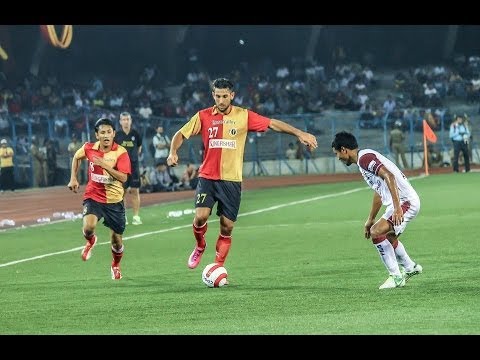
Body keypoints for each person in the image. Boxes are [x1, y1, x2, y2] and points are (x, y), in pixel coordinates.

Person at [167, 77, 318, 273]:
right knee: (200, 217)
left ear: (232, 96)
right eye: (217, 96)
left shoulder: (243, 116)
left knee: (227, 226)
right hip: (207, 177)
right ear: (213, 95)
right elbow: (180, 134)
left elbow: (272, 124)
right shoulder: (203, 116)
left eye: (224, 96)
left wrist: (299, 133)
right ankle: (200, 245)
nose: (221, 101)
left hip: (232, 180)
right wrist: (172, 152)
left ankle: (217, 267)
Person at [331, 131, 422, 289]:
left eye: (337, 153)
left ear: (344, 149)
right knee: (387, 235)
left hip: (405, 202)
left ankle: (396, 277)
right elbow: (379, 192)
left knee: (376, 232)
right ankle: (410, 268)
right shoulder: (363, 161)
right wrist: (370, 219)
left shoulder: (365, 158)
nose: (337, 157)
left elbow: (389, 177)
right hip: (399, 202)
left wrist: (398, 208)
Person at [67, 117, 131, 280]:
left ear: (114, 134)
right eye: (102, 132)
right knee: (88, 227)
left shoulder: (121, 152)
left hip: (114, 201)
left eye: (109, 132)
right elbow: (76, 157)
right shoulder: (89, 148)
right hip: (93, 196)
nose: (106, 135)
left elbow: (123, 178)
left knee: (116, 242)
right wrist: (73, 178)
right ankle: (91, 240)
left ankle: (115, 265)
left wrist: (105, 166)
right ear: (97, 135)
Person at [114, 111, 143, 225]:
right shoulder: (117, 135)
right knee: (122, 192)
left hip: (134, 167)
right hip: (121, 168)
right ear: (120, 122)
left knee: (135, 191)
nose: (126, 121)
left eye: (128, 119)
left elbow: (139, 147)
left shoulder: (136, 133)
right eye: (123, 120)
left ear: (131, 120)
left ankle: (136, 216)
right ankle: (123, 216)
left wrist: (133, 157)